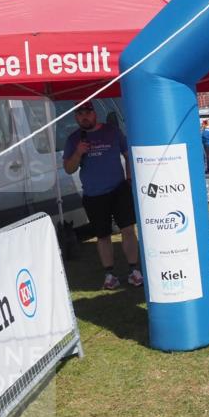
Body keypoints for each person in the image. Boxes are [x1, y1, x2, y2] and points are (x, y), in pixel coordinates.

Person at [62, 102, 143, 290]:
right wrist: (78, 153)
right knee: (103, 235)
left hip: (119, 189)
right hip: (93, 194)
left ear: (94, 113)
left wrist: (129, 178)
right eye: (80, 114)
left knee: (128, 229)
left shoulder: (112, 131)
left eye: (87, 112)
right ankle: (109, 275)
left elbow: (127, 154)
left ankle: (134, 271)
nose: (84, 117)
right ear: (76, 117)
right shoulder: (73, 139)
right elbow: (69, 169)